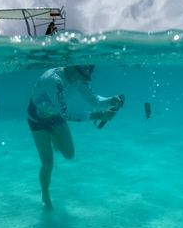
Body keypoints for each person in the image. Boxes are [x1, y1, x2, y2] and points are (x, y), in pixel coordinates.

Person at [27, 65, 123, 209]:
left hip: (56, 116)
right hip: (38, 119)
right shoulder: (54, 80)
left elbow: (94, 100)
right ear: (74, 67)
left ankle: (53, 137)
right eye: (84, 75)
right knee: (47, 163)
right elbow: (67, 114)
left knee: (69, 154)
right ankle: (45, 194)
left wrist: (110, 101)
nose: (84, 80)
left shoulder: (79, 78)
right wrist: (100, 115)